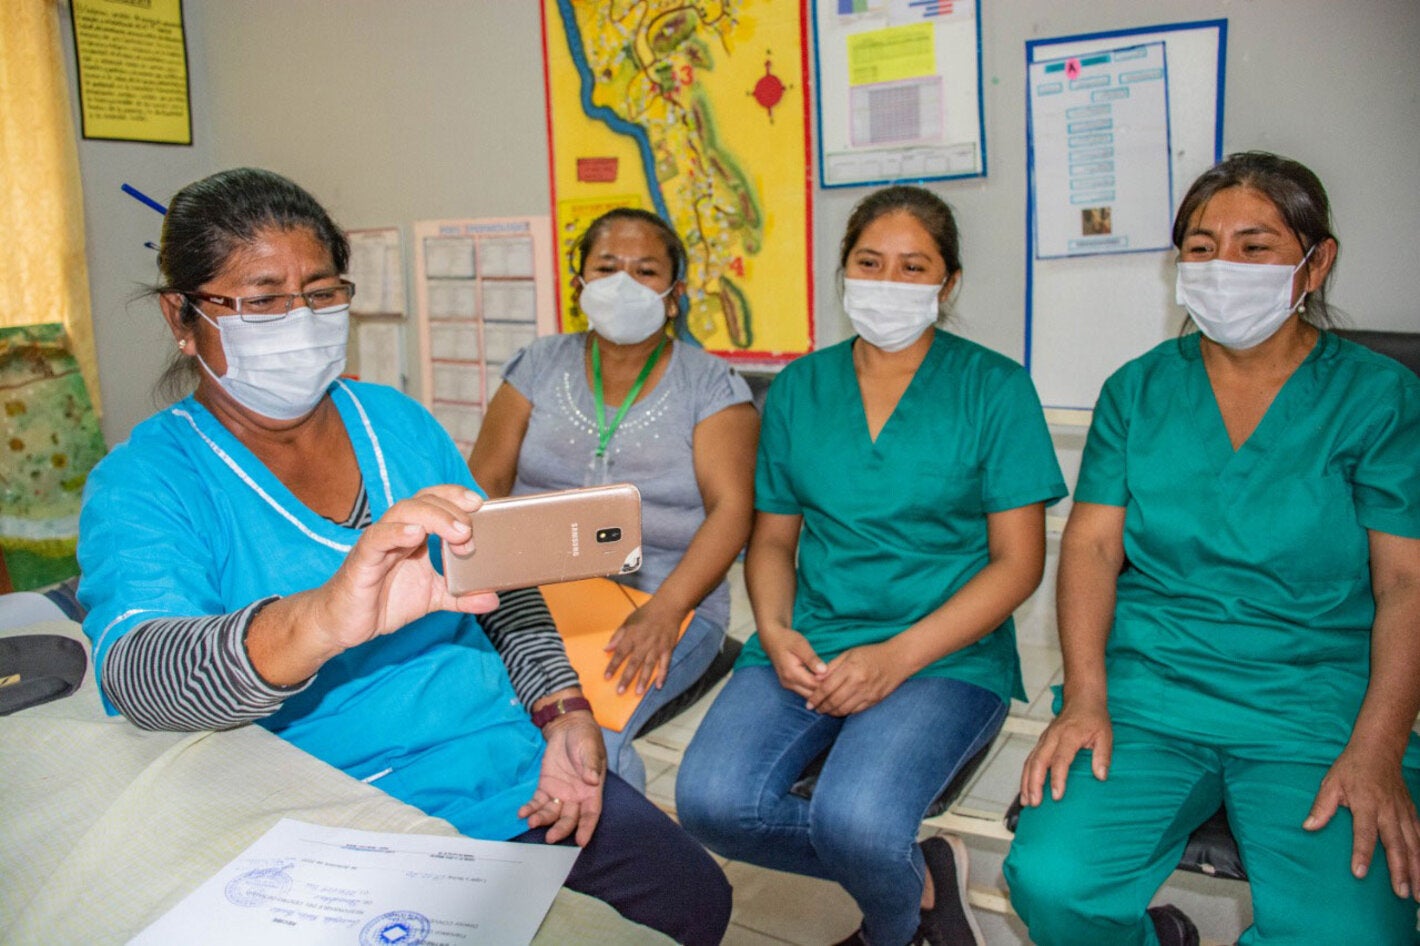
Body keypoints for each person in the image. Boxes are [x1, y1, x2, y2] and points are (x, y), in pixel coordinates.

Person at [75, 168, 731, 946]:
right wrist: (320, 620)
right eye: (262, 299)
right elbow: (142, 676)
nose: (300, 319)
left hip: (509, 765)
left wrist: (561, 711)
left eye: (321, 293)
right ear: (182, 318)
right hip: (344, 807)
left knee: (696, 900)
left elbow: (503, 584)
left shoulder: (395, 421)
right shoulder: (150, 479)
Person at [1005, 152, 1420, 945]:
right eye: (1200, 247)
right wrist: (1087, 696)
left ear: (1314, 260)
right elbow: (1092, 549)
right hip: (1152, 689)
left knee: (1350, 933)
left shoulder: (1379, 398)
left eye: (1254, 246)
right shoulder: (1140, 389)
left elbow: (1407, 583)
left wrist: (1379, 749)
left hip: (1314, 702)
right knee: (1054, 883)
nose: (1221, 265)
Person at [675, 185, 1067, 946]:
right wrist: (777, 629)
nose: (887, 283)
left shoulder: (994, 388)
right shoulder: (799, 389)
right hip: (810, 640)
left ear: (947, 284)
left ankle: (895, 927)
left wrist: (896, 657)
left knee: (854, 818)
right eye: (869, 262)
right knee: (712, 802)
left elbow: (1018, 566)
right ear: (844, 272)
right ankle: (917, 877)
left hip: (943, 650)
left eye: (913, 266)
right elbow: (774, 541)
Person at [468, 207, 758, 791]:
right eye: (607, 266)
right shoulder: (538, 366)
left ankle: (633, 868)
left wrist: (666, 611)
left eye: (646, 270)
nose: (623, 282)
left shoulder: (711, 386)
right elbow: (485, 483)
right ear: (580, 286)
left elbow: (733, 512)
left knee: (590, 739)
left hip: (656, 601)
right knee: (481, 721)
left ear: (674, 295)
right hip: (528, 595)